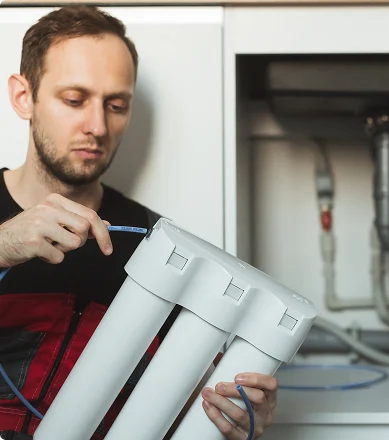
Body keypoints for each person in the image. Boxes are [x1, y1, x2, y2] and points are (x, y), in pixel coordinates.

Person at [0, 5, 277, 440]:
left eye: (116, 105)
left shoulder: (158, 245)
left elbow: (183, 400)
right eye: (74, 100)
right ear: (23, 97)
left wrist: (236, 415)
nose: (97, 126)